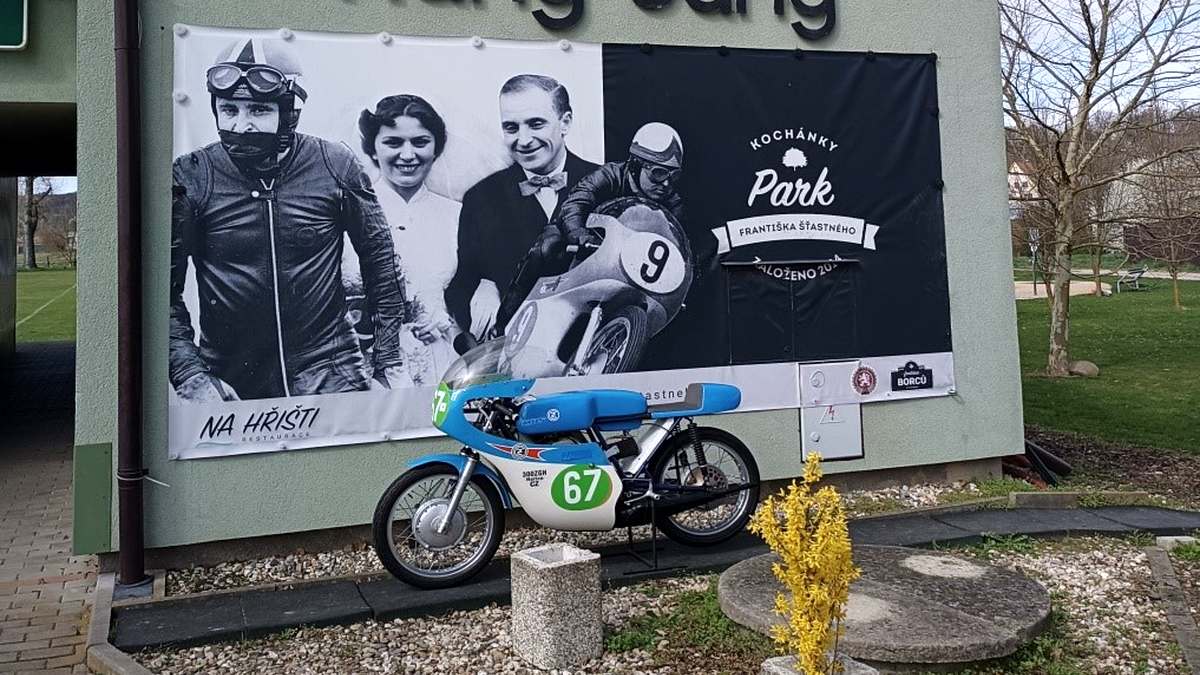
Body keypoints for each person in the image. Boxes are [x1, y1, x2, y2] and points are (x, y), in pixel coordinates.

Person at [170, 37, 409, 402]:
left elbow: (382, 265)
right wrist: (191, 375)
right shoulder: (192, 175)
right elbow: (162, 291)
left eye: (258, 110)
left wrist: (388, 362)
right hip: (232, 378)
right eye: (229, 109)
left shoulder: (335, 164)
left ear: (289, 111)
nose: (242, 125)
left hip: (331, 371)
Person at [444, 74, 599, 342]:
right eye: (511, 128)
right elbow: (462, 284)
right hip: (516, 351)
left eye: (536, 124)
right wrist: (479, 293)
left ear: (565, 122)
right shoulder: (480, 198)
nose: (524, 140)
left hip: (594, 347)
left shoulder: (605, 184)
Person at [491, 122, 686, 334]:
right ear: (636, 165)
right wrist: (580, 235)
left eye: (673, 176)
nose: (666, 184)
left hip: (627, 265)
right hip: (587, 245)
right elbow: (576, 203)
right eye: (658, 173)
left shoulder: (672, 204)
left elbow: (672, 246)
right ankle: (502, 326)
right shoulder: (610, 175)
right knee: (547, 246)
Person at [356, 94, 461, 385]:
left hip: (443, 360)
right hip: (370, 367)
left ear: (436, 148)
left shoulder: (458, 216)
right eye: (393, 143)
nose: (407, 155)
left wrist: (447, 320)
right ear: (373, 149)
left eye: (420, 142)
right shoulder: (350, 213)